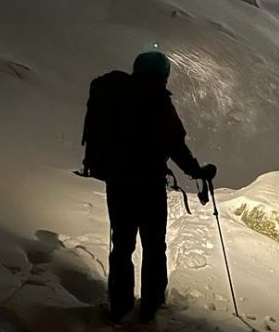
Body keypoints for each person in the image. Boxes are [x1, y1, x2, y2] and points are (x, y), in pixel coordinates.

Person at [90, 51, 215, 324]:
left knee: (122, 245)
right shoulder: (159, 101)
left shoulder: (116, 96)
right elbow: (176, 146)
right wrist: (197, 172)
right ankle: (151, 306)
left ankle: (119, 306)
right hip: (149, 186)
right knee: (154, 245)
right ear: (163, 74)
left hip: (119, 184)